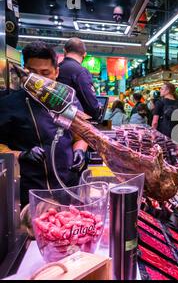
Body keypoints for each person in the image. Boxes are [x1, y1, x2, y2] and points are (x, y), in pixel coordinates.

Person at [0, 41, 88, 206]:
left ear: (56, 72)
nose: (38, 79)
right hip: (30, 195)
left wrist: (80, 152)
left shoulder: (69, 100)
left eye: (45, 72)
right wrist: (22, 155)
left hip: (68, 188)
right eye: (32, 72)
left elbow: (80, 136)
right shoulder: (8, 104)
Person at [57, 37, 102, 121]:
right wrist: (98, 114)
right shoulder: (81, 72)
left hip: (53, 120)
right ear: (84, 54)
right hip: (75, 122)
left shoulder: (56, 68)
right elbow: (91, 105)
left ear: (64, 51)